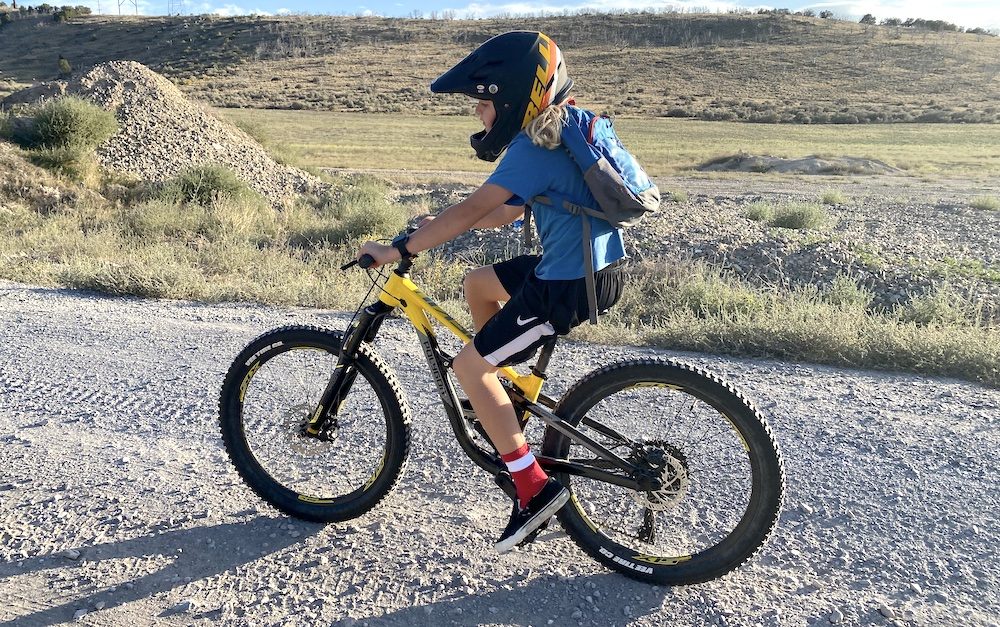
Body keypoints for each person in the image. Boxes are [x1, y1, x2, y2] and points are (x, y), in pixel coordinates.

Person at [356, 31, 626, 552]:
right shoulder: (565, 128)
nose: (479, 115)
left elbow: (475, 208)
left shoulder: (534, 142)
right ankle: (503, 397)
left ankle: (532, 488)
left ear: (510, 96)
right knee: (477, 283)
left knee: (467, 367)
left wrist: (400, 248)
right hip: (593, 266)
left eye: (482, 103)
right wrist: (444, 224)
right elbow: (506, 208)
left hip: (567, 283)